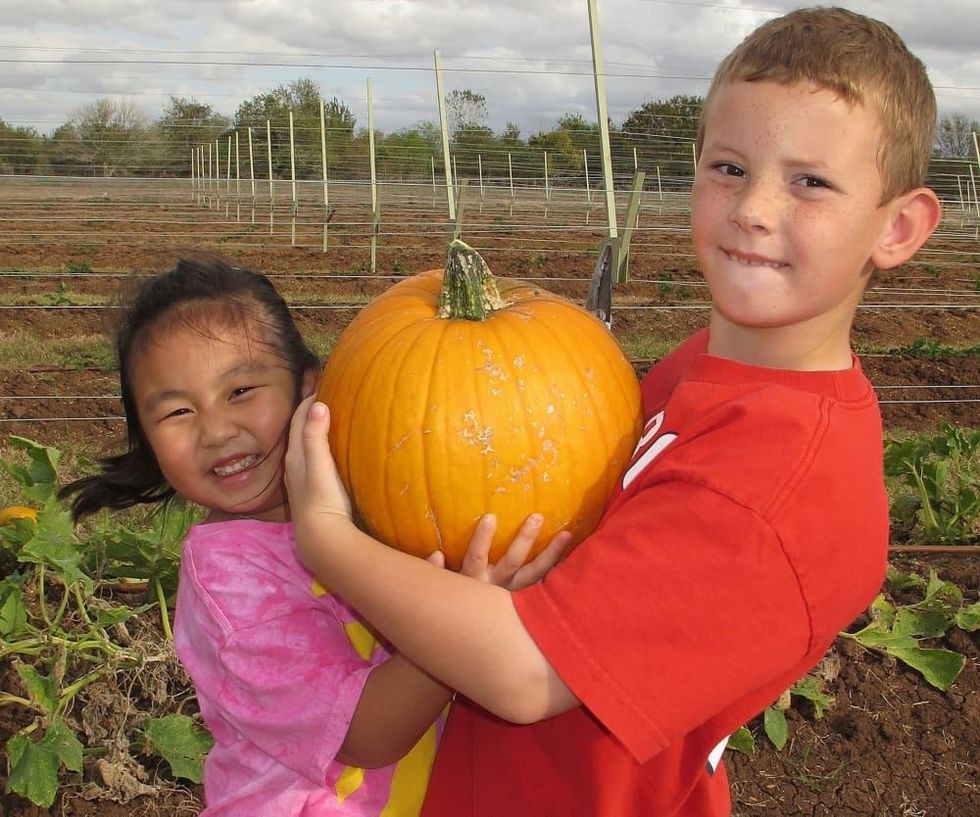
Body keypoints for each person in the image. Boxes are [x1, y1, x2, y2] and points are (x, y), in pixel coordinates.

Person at [284, 7, 943, 816]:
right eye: (729, 167)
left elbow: (526, 672)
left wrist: (327, 536)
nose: (754, 208)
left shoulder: (773, 492)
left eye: (810, 181)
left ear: (899, 226)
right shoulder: (707, 367)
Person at [59, 255, 565, 817]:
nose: (217, 430)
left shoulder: (368, 503)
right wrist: (468, 620)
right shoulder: (231, 581)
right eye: (178, 411)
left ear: (310, 389)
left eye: (241, 391)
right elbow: (364, 734)